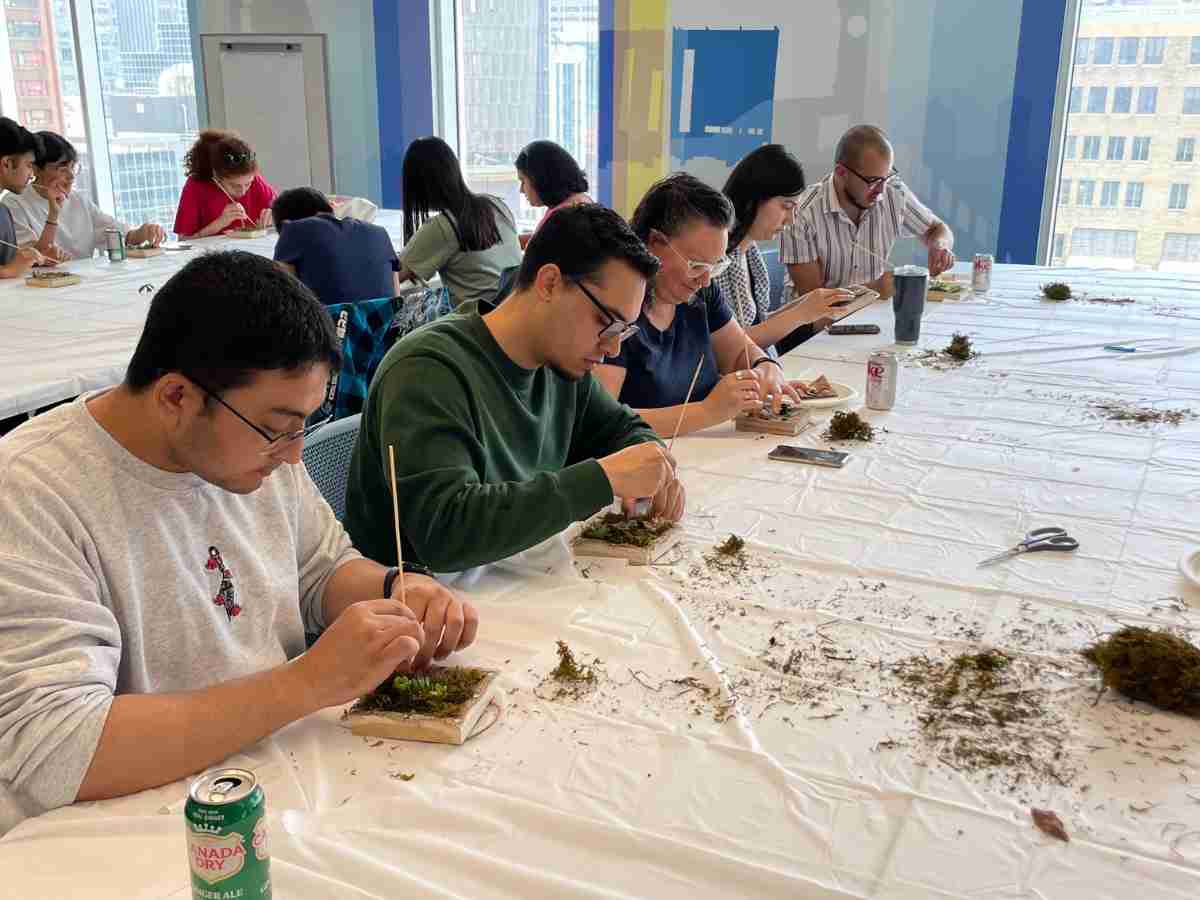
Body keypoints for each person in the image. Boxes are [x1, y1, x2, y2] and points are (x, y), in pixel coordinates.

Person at [0, 251, 477, 834]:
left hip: (273, 779)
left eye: (303, 425)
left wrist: (394, 587)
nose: (295, 454)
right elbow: (58, 749)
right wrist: (306, 683)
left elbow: (320, 570)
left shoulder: (255, 452)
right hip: (129, 829)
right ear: (176, 397)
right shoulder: (31, 492)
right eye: (277, 429)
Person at [345, 203, 683, 575]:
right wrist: (602, 479)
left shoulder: (560, 363)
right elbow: (445, 532)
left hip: (500, 585)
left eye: (623, 330)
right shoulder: (428, 371)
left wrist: (650, 459)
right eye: (606, 323)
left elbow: (622, 430)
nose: (613, 347)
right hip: (416, 609)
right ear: (550, 282)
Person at [593, 173, 804, 439]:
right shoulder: (616, 305)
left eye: (715, 267)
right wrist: (706, 412)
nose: (704, 281)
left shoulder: (700, 293)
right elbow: (601, 421)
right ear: (654, 243)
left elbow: (739, 354)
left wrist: (765, 367)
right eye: (696, 265)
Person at [781, 124, 954, 301]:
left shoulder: (893, 193)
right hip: (815, 324)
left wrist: (939, 246)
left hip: (871, 313)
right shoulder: (801, 213)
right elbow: (813, 303)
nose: (881, 190)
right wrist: (874, 288)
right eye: (872, 181)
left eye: (886, 177)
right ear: (841, 172)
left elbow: (936, 229)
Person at [715, 144, 851, 358]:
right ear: (754, 199)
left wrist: (806, 306)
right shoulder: (717, 260)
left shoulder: (750, 253)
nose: (791, 220)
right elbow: (727, 345)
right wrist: (801, 313)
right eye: (786, 207)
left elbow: (758, 323)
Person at [396, 136, 522, 308]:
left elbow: (392, 277)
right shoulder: (497, 204)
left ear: (418, 185)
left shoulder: (443, 225)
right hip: (511, 313)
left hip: (477, 326)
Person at [3, 131, 164, 261]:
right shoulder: (14, 203)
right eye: (62, 168)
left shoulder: (78, 200)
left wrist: (144, 231)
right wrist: (53, 216)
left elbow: (122, 236)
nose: (71, 177)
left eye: (73, 168)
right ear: (35, 169)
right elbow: (34, 258)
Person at [272, 186, 402, 304]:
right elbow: (396, 303)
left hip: (329, 327)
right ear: (330, 208)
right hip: (385, 327)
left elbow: (284, 301)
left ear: (285, 224)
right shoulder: (380, 233)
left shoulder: (292, 230)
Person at [173, 129, 277, 239]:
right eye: (234, 185)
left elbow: (287, 215)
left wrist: (274, 215)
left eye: (248, 184)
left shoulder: (254, 179)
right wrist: (219, 223)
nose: (242, 191)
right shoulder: (195, 186)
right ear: (216, 177)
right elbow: (183, 240)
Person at [515, 139, 592, 244]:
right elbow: (543, 239)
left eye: (523, 181)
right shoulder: (577, 203)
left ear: (540, 178)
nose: (521, 190)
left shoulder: (565, 217)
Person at [0, 117, 48, 277]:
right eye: (29, 165)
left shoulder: (3, 212)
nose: (32, 175)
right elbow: (8, 270)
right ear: (6, 164)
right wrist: (7, 271)